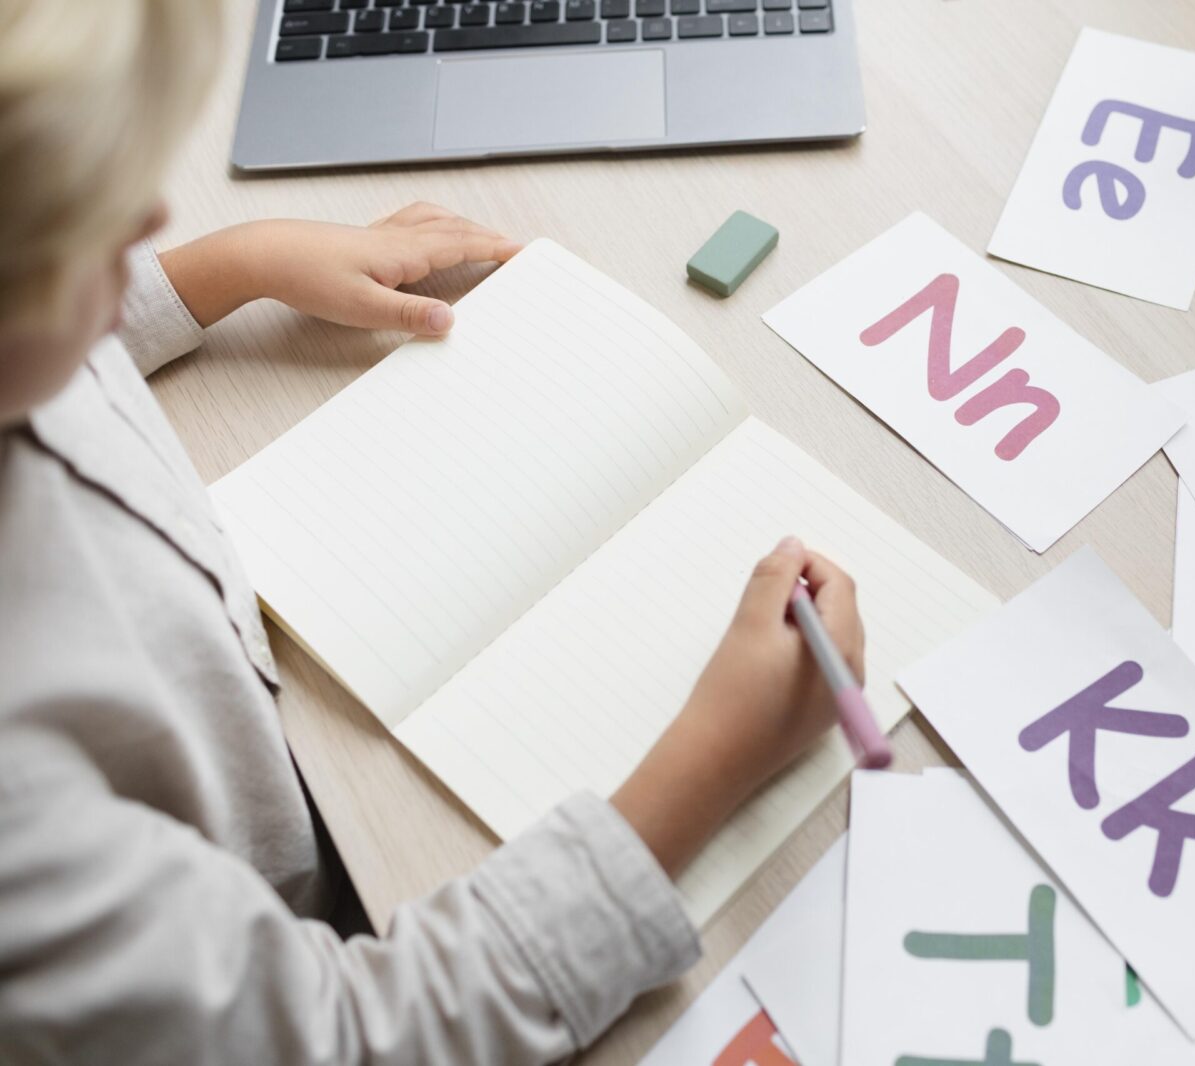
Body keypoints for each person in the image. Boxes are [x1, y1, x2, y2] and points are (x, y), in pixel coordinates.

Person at [0, 2, 866, 1062]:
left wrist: (230, 263)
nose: (151, 218)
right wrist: (714, 758)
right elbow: (349, 1039)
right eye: (80, 217)